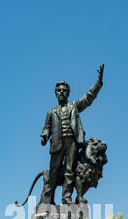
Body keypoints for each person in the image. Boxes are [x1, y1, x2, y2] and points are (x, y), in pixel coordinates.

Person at [40, 65, 104, 204]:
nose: (61, 92)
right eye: (59, 90)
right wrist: (44, 135)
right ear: (55, 93)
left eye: (64, 90)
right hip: (57, 143)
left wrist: (98, 84)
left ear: (68, 93)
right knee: (54, 172)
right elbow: (47, 126)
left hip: (72, 142)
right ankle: (46, 201)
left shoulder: (74, 106)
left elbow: (88, 98)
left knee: (70, 171)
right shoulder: (51, 112)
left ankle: (66, 198)